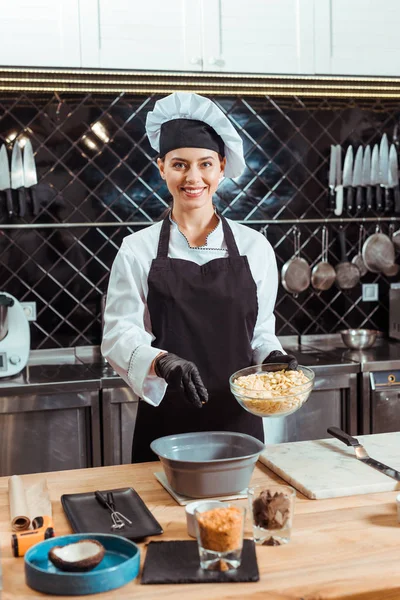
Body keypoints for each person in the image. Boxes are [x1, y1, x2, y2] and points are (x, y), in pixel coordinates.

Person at [101, 92, 297, 463]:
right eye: (179, 164)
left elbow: (259, 332)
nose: (193, 178)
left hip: (239, 422)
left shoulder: (255, 248)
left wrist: (272, 355)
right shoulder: (136, 249)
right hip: (167, 423)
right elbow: (119, 335)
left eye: (205, 164)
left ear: (221, 167)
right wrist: (163, 362)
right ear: (161, 167)